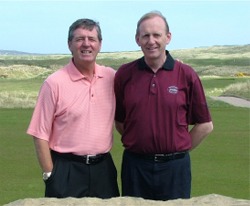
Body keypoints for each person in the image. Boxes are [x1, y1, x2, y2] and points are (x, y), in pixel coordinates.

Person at [114, 11, 213, 201]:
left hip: (175, 169)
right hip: (136, 167)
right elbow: (120, 121)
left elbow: (205, 125)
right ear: (137, 40)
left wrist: (178, 149)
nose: (151, 41)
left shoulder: (186, 74)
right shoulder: (125, 74)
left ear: (168, 37)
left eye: (157, 35)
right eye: (146, 36)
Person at [27, 18, 119, 198]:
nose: (86, 44)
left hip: (103, 169)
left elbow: (140, 78)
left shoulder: (112, 77)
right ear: (70, 44)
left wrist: (168, 66)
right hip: (66, 170)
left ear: (100, 44)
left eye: (92, 39)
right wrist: (50, 175)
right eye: (79, 39)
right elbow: (40, 134)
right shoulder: (54, 83)